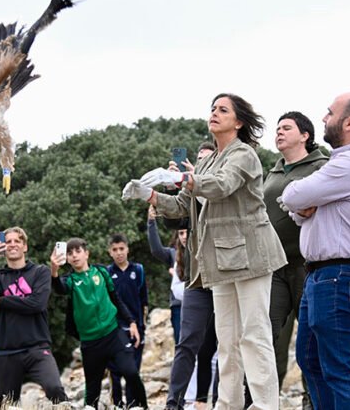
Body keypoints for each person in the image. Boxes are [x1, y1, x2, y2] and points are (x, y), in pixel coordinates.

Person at [123, 93, 287, 410]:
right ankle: (227, 404)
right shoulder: (205, 161)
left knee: (254, 335)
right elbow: (185, 207)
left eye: (223, 110)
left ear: (238, 121)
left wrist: (182, 176)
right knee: (227, 341)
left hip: (251, 256)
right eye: (212, 108)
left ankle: (267, 406)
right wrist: (151, 196)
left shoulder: (244, 155)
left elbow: (221, 186)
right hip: (221, 261)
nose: (214, 113)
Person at [282, 93, 350, 410]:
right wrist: (303, 208)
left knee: (337, 366)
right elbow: (298, 210)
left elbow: (292, 195)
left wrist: (302, 203)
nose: (324, 118)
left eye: (330, 113)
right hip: (324, 274)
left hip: (339, 274)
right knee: (311, 359)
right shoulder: (345, 164)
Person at [261, 111, 328, 410]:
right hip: (273, 266)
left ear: (305, 135)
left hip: (306, 264)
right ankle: (263, 400)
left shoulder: (321, 166)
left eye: (286, 128)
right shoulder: (273, 172)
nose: (279, 132)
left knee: (312, 337)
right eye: (277, 129)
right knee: (267, 335)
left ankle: (311, 401)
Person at [156, 142, 221, 410]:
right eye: (197, 160)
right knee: (188, 343)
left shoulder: (222, 187)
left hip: (225, 278)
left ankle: (218, 402)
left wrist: (198, 184)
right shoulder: (190, 195)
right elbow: (174, 221)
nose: (199, 164)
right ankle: (174, 403)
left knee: (223, 348)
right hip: (197, 279)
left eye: (207, 160)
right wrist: (171, 188)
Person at [50, 238, 148, 409]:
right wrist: (54, 270)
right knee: (92, 392)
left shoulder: (101, 272)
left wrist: (132, 322)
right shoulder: (71, 280)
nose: (74, 256)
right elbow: (59, 288)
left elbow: (116, 299)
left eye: (78, 251)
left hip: (113, 334)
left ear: (86, 254)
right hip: (91, 342)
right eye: (70, 253)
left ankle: (143, 406)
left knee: (131, 372)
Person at [0, 227, 67, 403]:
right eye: (8, 241)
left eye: (17, 241)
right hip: (5, 351)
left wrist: (1, 301)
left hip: (37, 348)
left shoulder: (40, 272)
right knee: (8, 404)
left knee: (55, 389)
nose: (12, 245)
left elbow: (37, 304)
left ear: (25, 246)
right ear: (3, 246)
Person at [106, 233, 148, 408]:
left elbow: (144, 299)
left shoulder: (138, 270)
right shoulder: (107, 273)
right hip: (115, 327)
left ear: (127, 249)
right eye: (115, 250)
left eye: (121, 248)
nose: (119, 253)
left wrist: (143, 324)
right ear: (110, 252)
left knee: (133, 369)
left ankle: (133, 403)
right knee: (115, 369)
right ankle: (117, 402)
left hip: (136, 327)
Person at [147, 205, 184, 342]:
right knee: (181, 343)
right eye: (181, 233)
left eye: (187, 232)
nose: (184, 237)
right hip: (178, 305)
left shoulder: (199, 251)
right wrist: (151, 222)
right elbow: (156, 250)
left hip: (199, 303)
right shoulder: (173, 253)